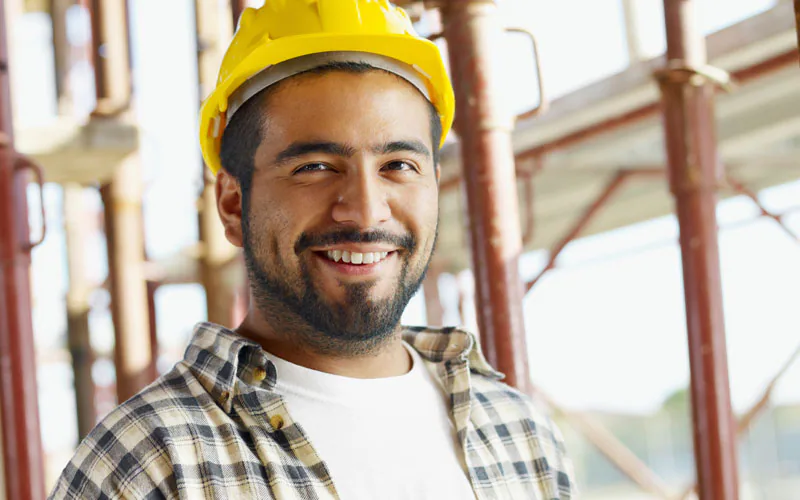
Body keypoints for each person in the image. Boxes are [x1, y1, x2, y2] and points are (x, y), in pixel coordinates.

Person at [49, 1, 576, 498]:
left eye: (398, 166)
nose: (366, 211)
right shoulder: (148, 461)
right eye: (315, 167)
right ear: (234, 205)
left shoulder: (517, 431)